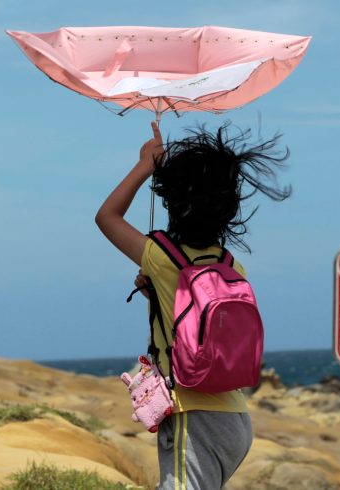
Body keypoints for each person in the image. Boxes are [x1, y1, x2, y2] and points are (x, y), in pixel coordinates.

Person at [95, 120, 291, 489]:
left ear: (172, 201)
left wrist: (143, 166)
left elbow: (107, 218)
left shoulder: (161, 257)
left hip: (193, 417)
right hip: (234, 417)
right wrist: (157, 295)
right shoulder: (231, 264)